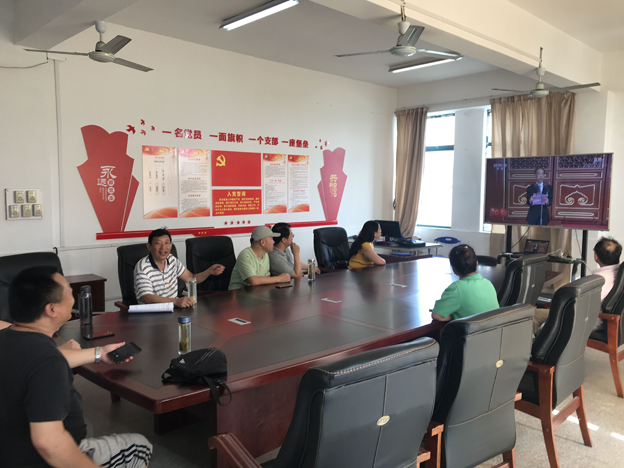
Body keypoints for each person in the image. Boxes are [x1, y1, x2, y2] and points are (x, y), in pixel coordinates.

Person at [0, 266, 152, 468]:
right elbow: (48, 443)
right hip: (37, 460)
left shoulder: (9, 338)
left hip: (9, 447)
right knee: (139, 446)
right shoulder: (47, 361)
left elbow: (34, 365)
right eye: (70, 293)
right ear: (52, 309)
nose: (74, 298)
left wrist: (99, 353)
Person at [134, 228, 225, 307]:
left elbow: (191, 278)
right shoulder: (142, 267)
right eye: (158, 243)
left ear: (171, 245)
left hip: (173, 309)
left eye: (166, 243)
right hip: (151, 313)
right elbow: (147, 298)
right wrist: (175, 301)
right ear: (149, 246)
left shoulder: (172, 260)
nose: (163, 247)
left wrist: (209, 271)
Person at [431, 244, 499, 322]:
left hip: (471, 330)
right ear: (477, 264)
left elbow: (437, 316)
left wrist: (454, 316)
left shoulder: (456, 288)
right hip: (492, 329)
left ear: (453, 268)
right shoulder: (488, 283)